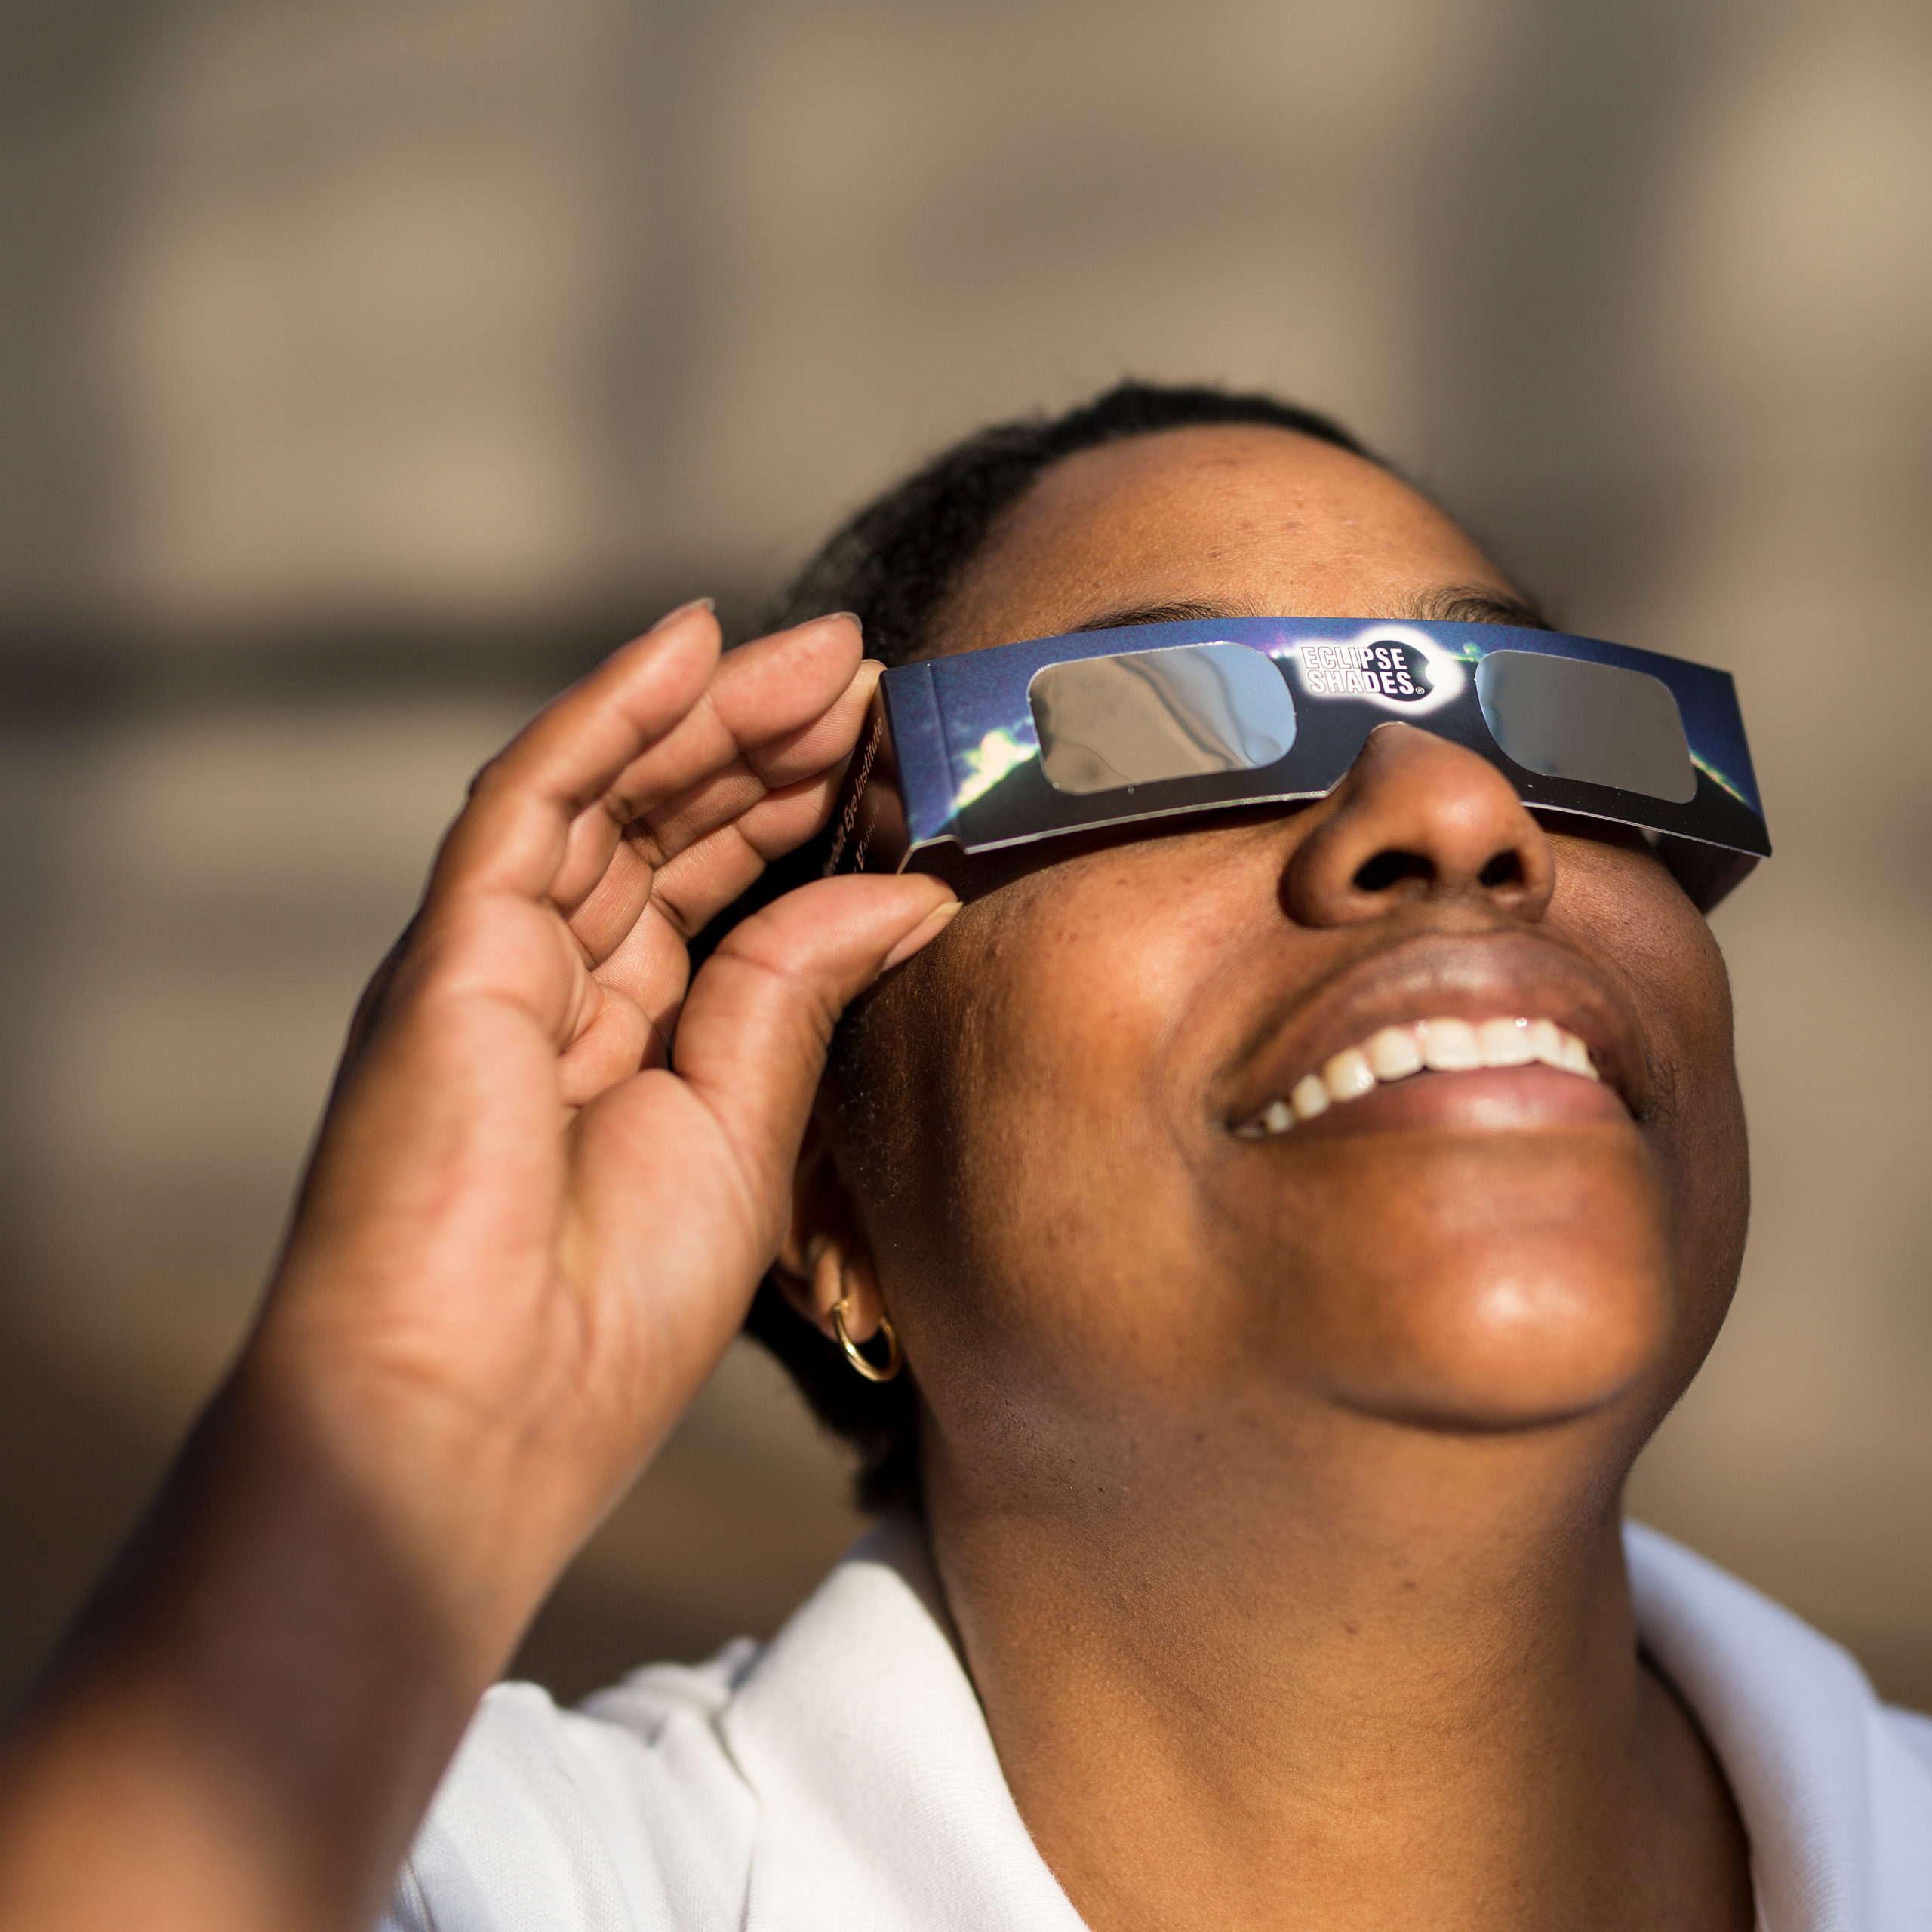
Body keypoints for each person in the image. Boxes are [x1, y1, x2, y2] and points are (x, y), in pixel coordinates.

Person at [0, 384, 1926, 1932]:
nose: (1449, 807)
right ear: (820, 1204)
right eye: (1149, 726)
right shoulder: (447, 1874)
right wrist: (409, 1416)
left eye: (1525, 713)